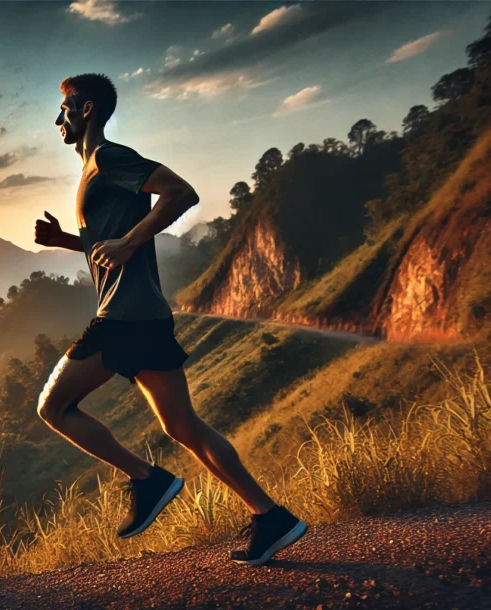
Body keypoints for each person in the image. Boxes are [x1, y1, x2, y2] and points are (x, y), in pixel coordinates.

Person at [34, 73, 307, 566]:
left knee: (53, 408)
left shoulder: (111, 158)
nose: (58, 119)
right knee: (185, 427)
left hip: (124, 316)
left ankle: (148, 478)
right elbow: (110, 246)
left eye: (65, 109)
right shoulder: (94, 171)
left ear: (86, 108)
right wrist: (68, 242)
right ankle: (272, 517)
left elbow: (182, 193)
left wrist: (132, 241)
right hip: (146, 315)